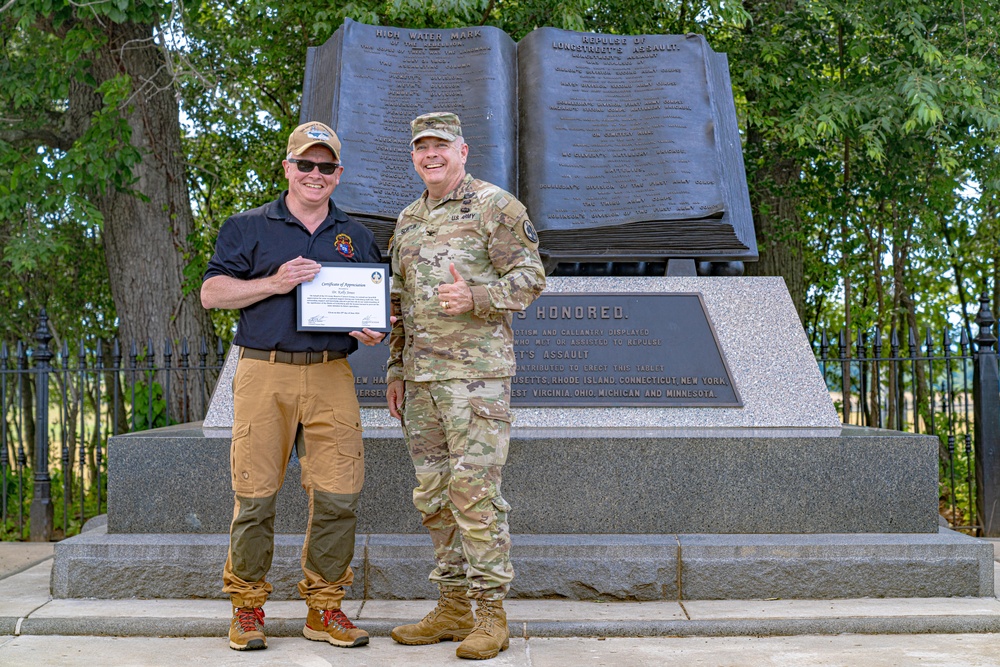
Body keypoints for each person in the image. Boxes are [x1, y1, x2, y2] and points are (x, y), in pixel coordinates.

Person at [201, 121, 385, 652]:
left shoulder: (356, 234)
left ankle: (325, 608)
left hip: (331, 373)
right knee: (255, 496)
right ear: (287, 167)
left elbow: (372, 304)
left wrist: (372, 328)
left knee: (339, 494)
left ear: (338, 174)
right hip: (265, 372)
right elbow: (213, 293)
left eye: (326, 167)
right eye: (305, 164)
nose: (315, 174)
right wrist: (275, 282)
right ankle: (248, 607)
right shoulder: (248, 226)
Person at [385, 112, 546, 660]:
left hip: (477, 380)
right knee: (432, 495)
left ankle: (490, 616)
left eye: (440, 146)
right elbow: (398, 305)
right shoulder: (407, 220)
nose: (430, 154)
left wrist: (476, 297)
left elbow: (530, 277)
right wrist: (395, 370)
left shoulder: (496, 207)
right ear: (413, 156)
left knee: (473, 493)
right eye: (420, 147)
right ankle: (452, 607)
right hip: (422, 381)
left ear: (462, 150)